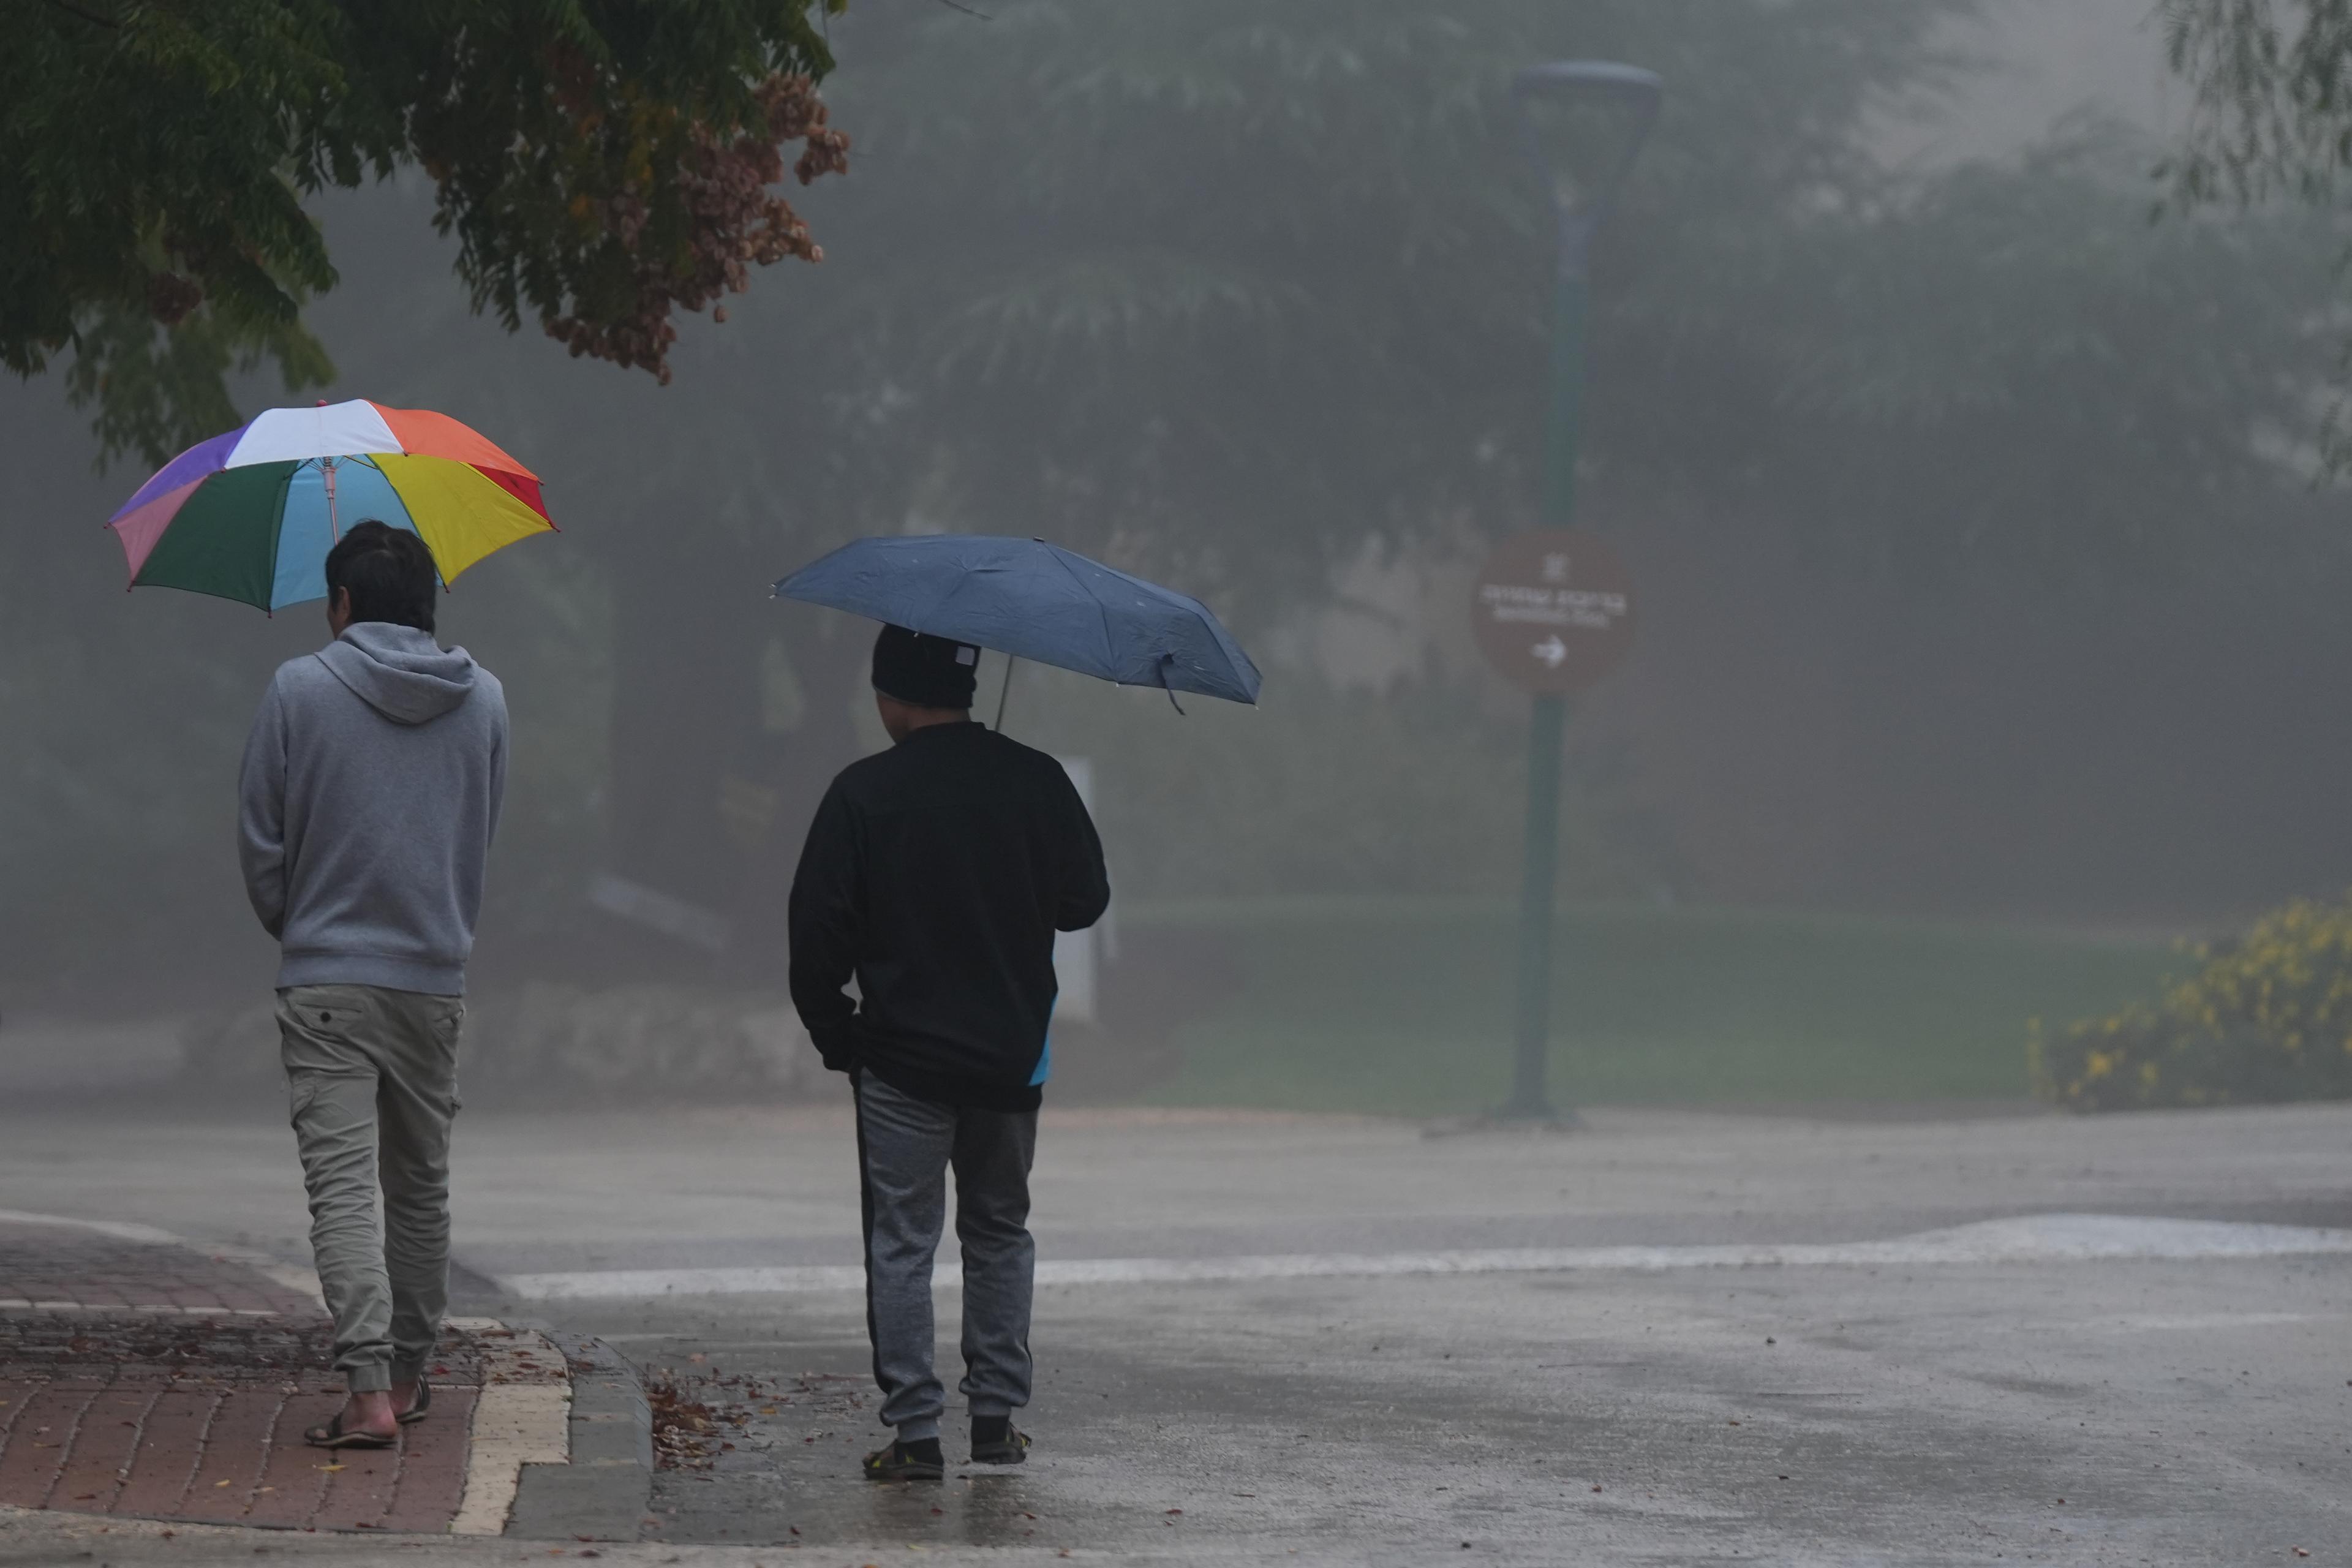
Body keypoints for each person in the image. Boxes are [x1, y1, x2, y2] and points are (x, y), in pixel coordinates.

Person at [789, 624, 1110, 1481]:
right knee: (1000, 1228)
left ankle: (917, 1436)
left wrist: (839, 1037)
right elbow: (1085, 900)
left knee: (904, 1239)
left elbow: (816, 932)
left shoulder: (863, 793)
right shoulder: (1034, 780)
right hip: (1010, 1059)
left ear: (892, 697)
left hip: (899, 1061)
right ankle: (998, 1424)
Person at [237, 520, 508, 1450]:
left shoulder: (297, 691)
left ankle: (364, 1395)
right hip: (433, 977)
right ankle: (408, 1373)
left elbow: (261, 842)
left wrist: (303, 926)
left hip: (325, 980)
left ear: (343, 603)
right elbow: (480, 831)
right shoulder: (489, 704)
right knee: (420, 1185)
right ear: (429, 606)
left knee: (344, 1188)